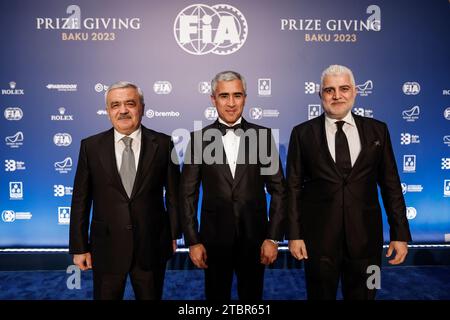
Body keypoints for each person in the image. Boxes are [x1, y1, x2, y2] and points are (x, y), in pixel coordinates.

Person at [286, 65, 412, 300]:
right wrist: (294, 235)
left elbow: (391, 185)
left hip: (367, 242)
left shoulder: (378, 131)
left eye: (344, 88)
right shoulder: (302, 133)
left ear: (355, 91)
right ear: (320, 95)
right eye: (329, 90)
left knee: (368, 295)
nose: (337, 96)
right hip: (318, 242)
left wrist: (400, 234)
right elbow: (292, 188)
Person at [180, 71, 286, 300]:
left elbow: (279, 191)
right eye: (224, 96)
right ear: (213, 99)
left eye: (237, 95)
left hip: (256, 239)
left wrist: (273, 237)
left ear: (245, 98)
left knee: (252, 299)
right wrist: (193, 241)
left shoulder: (263, 137)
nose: (231, 103)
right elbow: (187, 195)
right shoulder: (198, 139)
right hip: (213, 240)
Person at [69, 81, 180, 300]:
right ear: (108, 111)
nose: (123, 110)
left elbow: (174, 196)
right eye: (115, 105)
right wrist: (79, 246)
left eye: (130, 103)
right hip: (106, 247)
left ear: (142, 108)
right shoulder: (90, 147)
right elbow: (81, 200)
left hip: (151, 245)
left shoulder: (164, 144)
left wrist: (174, 234)